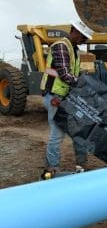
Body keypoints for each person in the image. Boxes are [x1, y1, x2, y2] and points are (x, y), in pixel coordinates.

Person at [40, 20, 94, 179]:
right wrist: (84, 85)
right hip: (55, 96)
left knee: (79, 130)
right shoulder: (61, 46)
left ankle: (81, 166)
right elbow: (64, 74)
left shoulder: (74, 49)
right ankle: (51, 169)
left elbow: (74, 73)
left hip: (66, 96)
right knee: (57, 133)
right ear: (74, 31)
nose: (84, 40)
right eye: (83, 36)